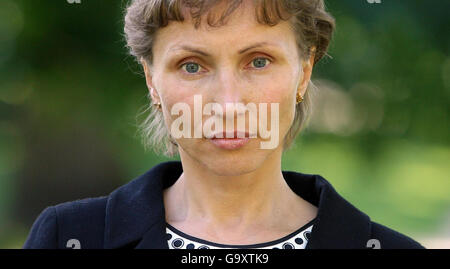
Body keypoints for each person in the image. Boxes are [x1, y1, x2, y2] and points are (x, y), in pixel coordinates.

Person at [23, 0, 425, 249]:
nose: (229, 103)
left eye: (259, 61)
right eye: (193, 66)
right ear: (152, 81)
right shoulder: (69, 238)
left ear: (303, 73)